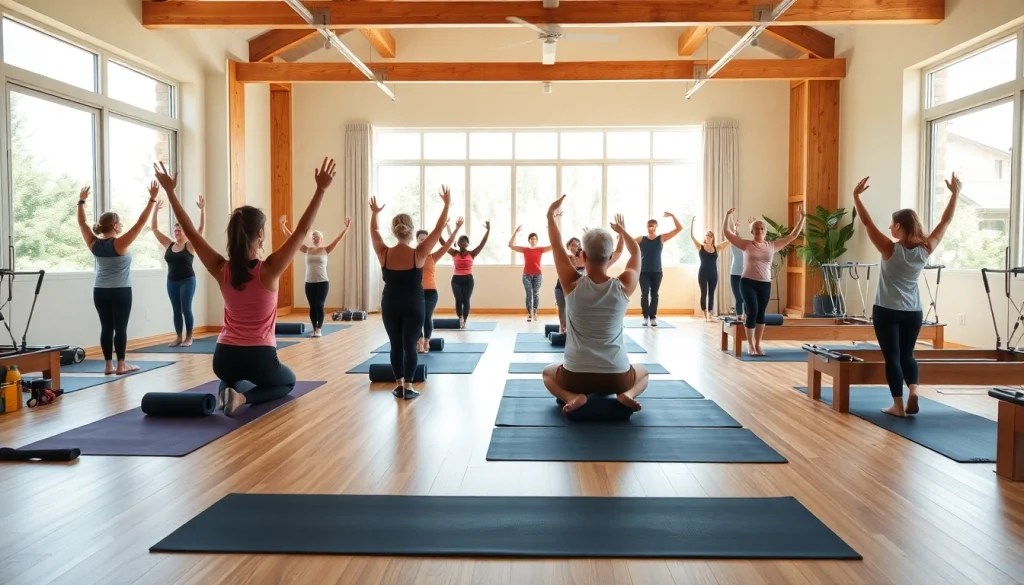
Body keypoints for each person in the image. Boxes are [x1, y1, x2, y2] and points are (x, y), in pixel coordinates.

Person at [153, 157, 336, 417]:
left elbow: (192, 232)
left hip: (223, 357)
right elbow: (301, 231)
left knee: (231, 377)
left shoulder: (221, 268)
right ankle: (241, 398)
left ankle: (227, 391)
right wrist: (321, 189)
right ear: (260, 233)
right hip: (260, 357)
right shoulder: (269, 269)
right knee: (288, 382)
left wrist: (170, 192)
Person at [852, 174, 960, 417]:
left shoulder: (889, 249)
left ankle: (898, 405)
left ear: (899, 226)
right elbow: (945, 221)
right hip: (913, 312)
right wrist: (955, 194)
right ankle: (913, 389)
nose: (889, 227)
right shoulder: (925, 249)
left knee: (892, 357)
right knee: (907, 354)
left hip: (887, 310)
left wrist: (856, 197)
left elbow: (867, 224)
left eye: (892, 224)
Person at [542, 198, 648, 414]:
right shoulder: (624, 284)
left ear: (582, 255)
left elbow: (556, 245)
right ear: (610, 257)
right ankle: (628, 394)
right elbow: (636, 252)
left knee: (547, 373)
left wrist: (550, 216)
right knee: (644, 373)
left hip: (575, 377)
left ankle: (572, 397)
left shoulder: (571, 283)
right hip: (618, 377)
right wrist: (622, 231)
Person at [371, 186, 451, 400]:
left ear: (394, 230)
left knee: (395, 345)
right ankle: (408, 386)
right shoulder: (420, 253)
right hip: (414, 304)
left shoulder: (384, 253)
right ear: (411, 229)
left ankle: (398, 385)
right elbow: (438, 229)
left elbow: (374, 233)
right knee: (410, 346)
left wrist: (374, 214)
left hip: (390, 304)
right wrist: (446, 205)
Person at [76, 185, 155, 375]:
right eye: (119, 223)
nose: (122, 226)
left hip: (100, 291)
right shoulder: (120, 243)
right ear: (114, 226)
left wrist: (81, 201)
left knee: (106, 327)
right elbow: (141, 223)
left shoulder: (93, 243)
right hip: (121, 290)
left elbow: (82, 223)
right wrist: (152, 200)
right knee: (120, 328)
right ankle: (121, 365)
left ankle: (108, 365)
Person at [723, 208, 804, 356]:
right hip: (747, 282)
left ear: (765, 231)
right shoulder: (746, 244)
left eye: (762, 228)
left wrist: (802, 218)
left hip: (764, 284)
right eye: (756, 229)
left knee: (761, 313)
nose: (759, 231)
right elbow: (728, 234)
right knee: (752, 310)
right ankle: (750, 345)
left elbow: (792, 236)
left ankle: (758, 344)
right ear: (752, 232)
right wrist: (727, 216)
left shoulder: (772, 246)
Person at [279, 215, 352, 337]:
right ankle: (314, 329)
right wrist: (283, 226)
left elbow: (337, 240)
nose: (315, 238)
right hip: (309, 282)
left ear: (321, 239)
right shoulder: (307, 250)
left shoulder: (326, 250)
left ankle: (319, 329)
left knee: (320, 305)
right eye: (313, 237)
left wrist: (346, 229)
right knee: (312, 306)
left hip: (323, 282)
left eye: (317, 237)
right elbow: (293, 240)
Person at [150, 192, 205, 347]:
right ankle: (178, 337)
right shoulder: (169, 244)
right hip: (172, 281)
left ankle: (189, 337)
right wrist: (155, 210)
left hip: (188, 280)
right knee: (176, 310)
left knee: (185, 309)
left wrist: (202, 210)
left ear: (185, 233)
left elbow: (200, 229)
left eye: (180, 230)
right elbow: (154, 228)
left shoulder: (190, 245)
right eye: (175, 230)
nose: (177, 232)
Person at [554, 228, 624, 333]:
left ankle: (570, 330)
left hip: (578, 289)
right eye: (573, 245)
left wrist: (621, 234)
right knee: (562, 311)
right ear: (568, 246)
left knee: (573, 312)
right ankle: (563, 328)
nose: (575, 247)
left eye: (577, 245)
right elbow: (557, 246)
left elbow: (618, 253)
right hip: (561, 288)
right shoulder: (568, 258)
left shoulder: (589, 261)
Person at [417, 217, 462, 352]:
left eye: (426, 239)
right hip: (416, 292)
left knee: (426, 315)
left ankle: (427, 341)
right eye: (421, 239)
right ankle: (419, 341)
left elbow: (448, 243)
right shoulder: (412, 255)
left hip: (431, 293)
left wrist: (456, 229)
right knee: (417, 316)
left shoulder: (433, 256)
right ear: (417, 241)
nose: (424, 241)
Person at [636, 212, 683, 326]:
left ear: (656, 227)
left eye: (652, 225)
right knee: (644, 294)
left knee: (654, 294)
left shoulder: (661, 238)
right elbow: (629, 242)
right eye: (648, 226)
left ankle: (653, 317)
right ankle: (645, 317)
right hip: (643, 272)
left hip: (657, 271)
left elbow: (679, 228)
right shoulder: (641, 239)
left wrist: (672, 216)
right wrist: (621, 235)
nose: (650, 228)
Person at [448, 220, 490, 329]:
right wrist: (444, 227)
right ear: (457, 243)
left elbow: (482, 243)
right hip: (456, 280)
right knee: (458, 299)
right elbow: (443, 242)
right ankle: (460, 318)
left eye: (465, 241)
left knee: (466, 300)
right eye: (460, 240)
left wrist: (488, 230)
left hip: (468, 280)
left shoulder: (472, 253)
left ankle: (465, 321)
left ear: (468, 243)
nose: (462, 242)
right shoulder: (454, 252)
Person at [689, 217, 731, 321]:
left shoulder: (717, 248)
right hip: (703, 273)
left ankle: (711, 312)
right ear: (705, 237)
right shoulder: (700, 247)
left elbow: (729, 241)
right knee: (704, 293)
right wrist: (692, 223)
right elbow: (692, 237)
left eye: (710, 236)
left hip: (713, 273)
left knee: (712, 293)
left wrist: (734, 230)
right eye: (707, 236)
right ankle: (704, 312)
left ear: (713, 238)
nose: (708, 237)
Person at [509, 226, 552, 322]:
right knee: (529, 294)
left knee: (536, 293)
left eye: (535, 239)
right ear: (529, 240)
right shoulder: (525, 250)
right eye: (532, 238)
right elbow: (510, 245)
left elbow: (553, 245)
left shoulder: (540, 249)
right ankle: (529, 314)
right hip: (526, 275)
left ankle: (535, 313)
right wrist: (515, 232)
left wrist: (549, 231)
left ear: (537, 240)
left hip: (538, 275)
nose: (533, 240)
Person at [728, 216, 756, 320]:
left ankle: (746, 316)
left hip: (746, 274)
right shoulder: (733, 245)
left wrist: (752, 224)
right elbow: (732, 236)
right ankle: (739, 317)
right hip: (735, 274)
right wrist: (735, 228)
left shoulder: (747, 246)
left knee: (746, 297)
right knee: (739, 298)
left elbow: (755, 239)